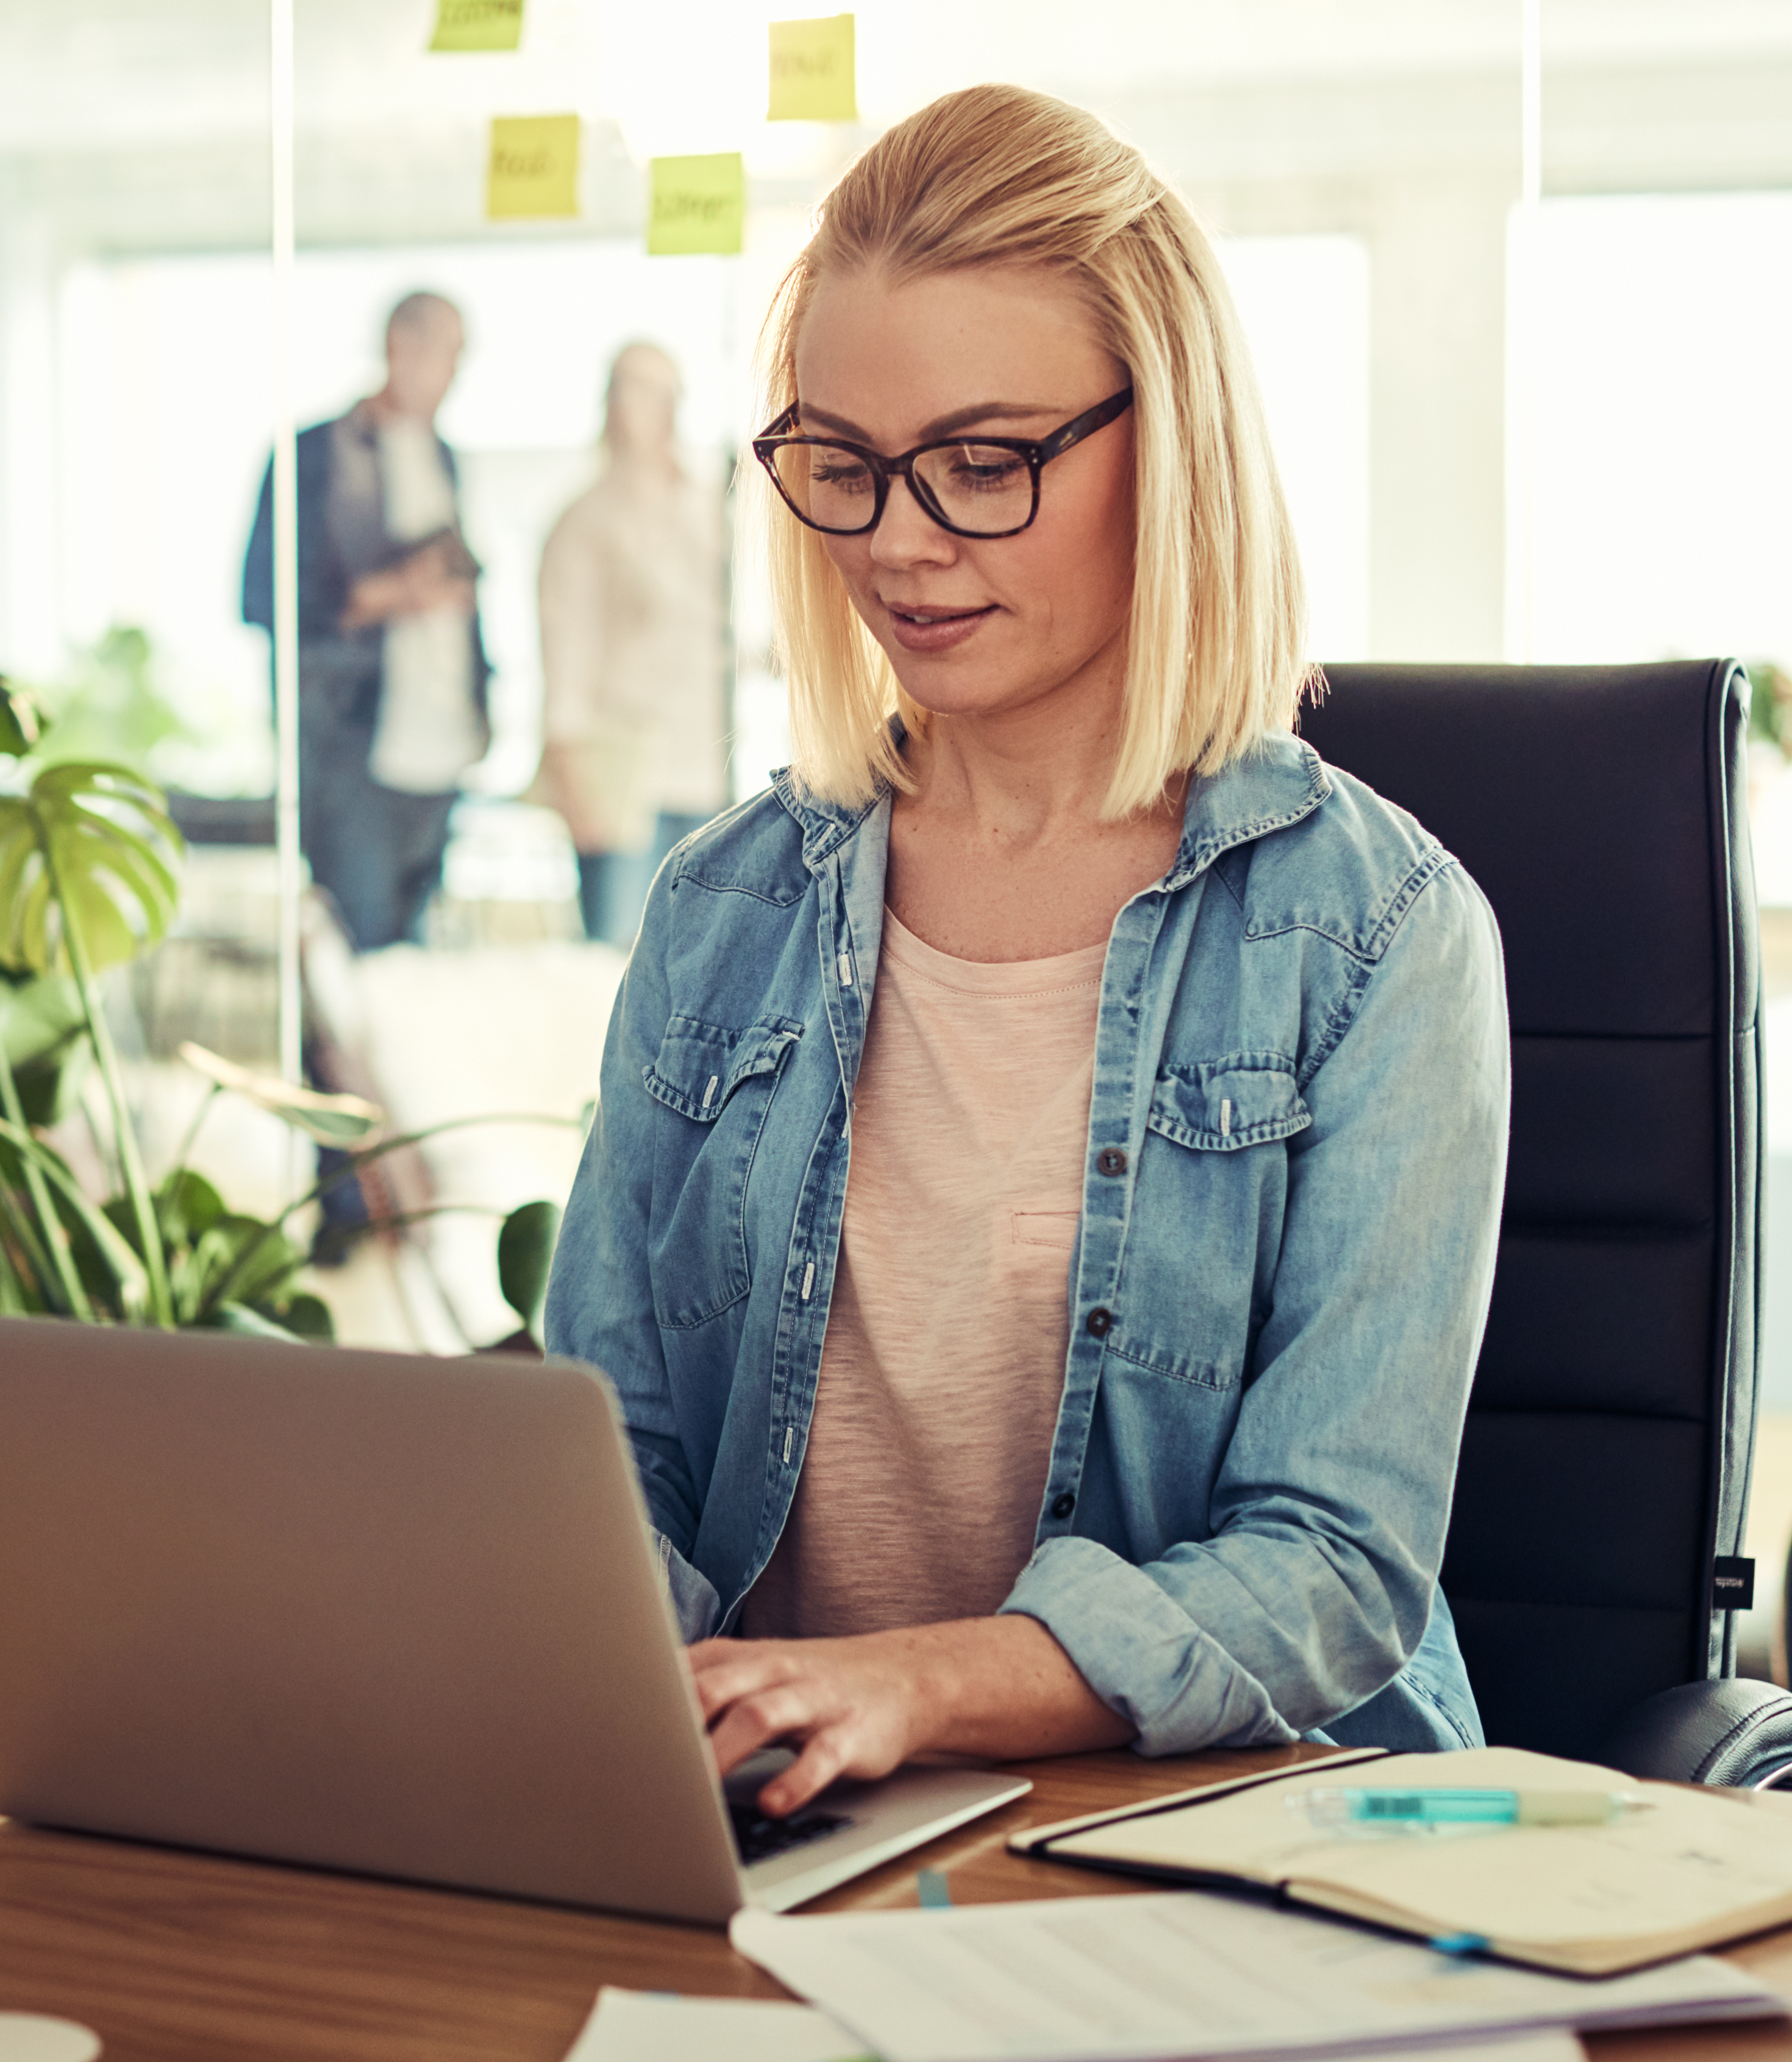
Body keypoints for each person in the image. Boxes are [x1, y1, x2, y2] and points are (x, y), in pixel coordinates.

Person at [542, 85, 1510, 1820]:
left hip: (1213, 1835)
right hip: (768, 1826)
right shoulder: (718, 909)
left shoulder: (1372, 938)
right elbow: (606, 1449)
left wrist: (908, 1682)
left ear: (1169, 446)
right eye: (838, 463)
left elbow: (1331, 1567)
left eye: (981, 464)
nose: (893, 542)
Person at [243, 291, 490, 951]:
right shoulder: (315, 455)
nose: (456, 372)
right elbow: (262, 598)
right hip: (354, 750)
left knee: (408, 960)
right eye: (447, 352)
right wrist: (389, 595)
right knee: (354, 951)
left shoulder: (443, 457)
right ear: (398, 348)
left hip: (441, 750)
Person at [536, 343, 731, 947]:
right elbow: (565, 653)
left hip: (705, 775)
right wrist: (571, 775)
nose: (638, 407)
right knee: (619, 964)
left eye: (654, 391)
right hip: (621, 781)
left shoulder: (708, 511)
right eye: (625, 388)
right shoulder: (584, 520)